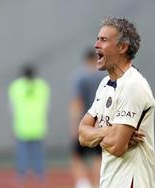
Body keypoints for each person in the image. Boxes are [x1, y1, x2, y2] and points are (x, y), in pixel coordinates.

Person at [78, 17, 155, 187]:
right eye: (97, 39)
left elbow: (116, 147)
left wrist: (98, 132)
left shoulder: (133, 86)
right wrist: (109, 131)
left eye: (103, 40)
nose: (96, 45)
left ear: (122, 47)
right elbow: (82, 134)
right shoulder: (104, 84)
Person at [69, 48, 106, 188]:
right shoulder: (103, 77)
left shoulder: (80, 77)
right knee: (99, 156)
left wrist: (74, 126)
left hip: (84, 123)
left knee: (77, 156)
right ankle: (97, 184)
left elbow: (77, 102)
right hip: (101, 124)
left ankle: (83, 183)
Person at [8, 64, 50, 183]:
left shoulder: (15, 86)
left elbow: (11, 107)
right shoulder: (42, 86)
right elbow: (47, 106)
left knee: (22, 153)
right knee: (38, 153)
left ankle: (22, 176)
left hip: (22, 126)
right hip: (38, 125)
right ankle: (40, 175)